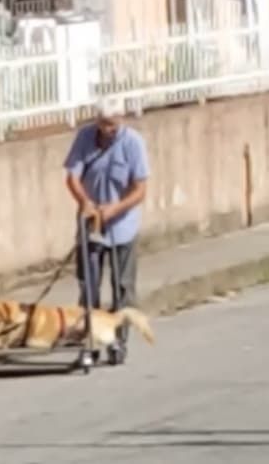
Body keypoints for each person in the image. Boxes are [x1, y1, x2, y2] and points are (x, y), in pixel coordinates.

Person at [62, 99, 150, 363]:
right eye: (103, 124)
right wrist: (85, 202)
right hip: (91, 225)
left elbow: (140, 189)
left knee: (122, 287)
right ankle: (90, 341)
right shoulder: (85, 138)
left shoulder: (133, 143)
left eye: (112, 125)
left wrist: (116, 208)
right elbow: (72, 177)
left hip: (121, 227)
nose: (108, 130)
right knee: (89, 288)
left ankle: (118, 340)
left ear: (120, 120)